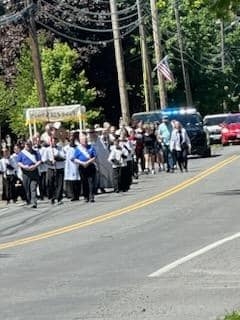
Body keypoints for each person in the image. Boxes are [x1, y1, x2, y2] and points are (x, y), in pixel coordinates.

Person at [17, 140, 41, 208]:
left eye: (29, 145)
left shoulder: (35, 152)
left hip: (34, 171)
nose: (28, 146)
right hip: (25, 173)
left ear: (31, 145)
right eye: (27, 145)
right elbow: (19, 162)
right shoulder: (21, 153)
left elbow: (39, 160)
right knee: (26, 187)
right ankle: (28, 200)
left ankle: (34, 202)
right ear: (25, 145)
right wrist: (24, 167)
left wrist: (35, 166)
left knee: (33, 187)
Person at [73, 133, 97, 203]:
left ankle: (91, 196)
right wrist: (82, 163)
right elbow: (74, 159)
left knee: (91, 182)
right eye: (83, 140)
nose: (85, 142)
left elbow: (94, 157)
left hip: (90, 166)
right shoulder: (78, 149)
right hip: (82, 167)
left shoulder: (91, 147)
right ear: (80, 141)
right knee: (84, 182)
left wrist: (88, 162)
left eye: (86, 140)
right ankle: (86, 196)